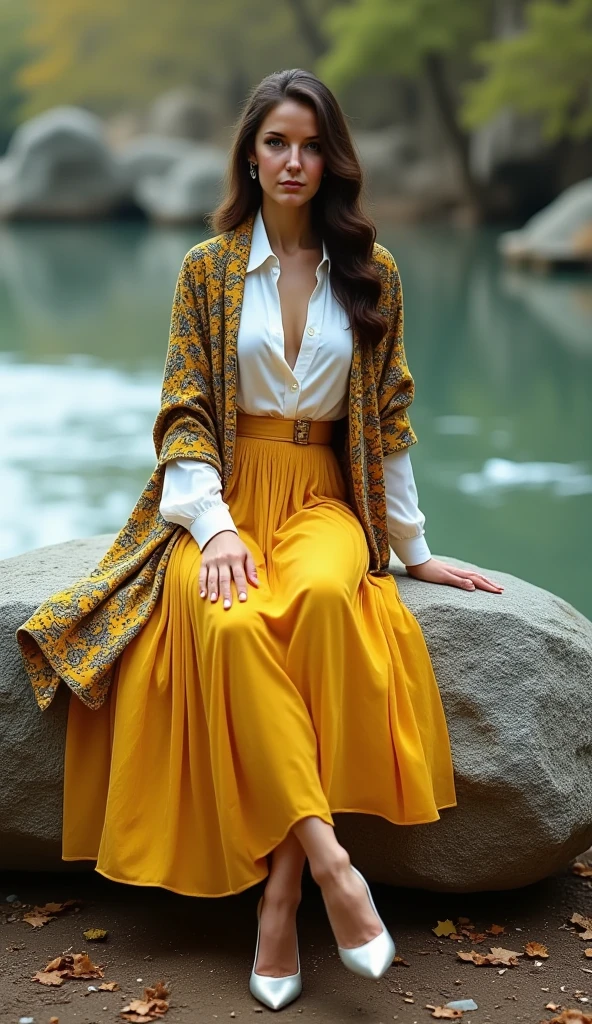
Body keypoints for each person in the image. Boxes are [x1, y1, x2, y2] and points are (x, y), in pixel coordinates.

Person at [16, 68, 504, 1012]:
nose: (295, 161)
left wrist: (410, 548)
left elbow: (390, 418)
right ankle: (330, 871)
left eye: (312, 145)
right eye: (278, 142)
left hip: (325, 495)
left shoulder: (374, 271)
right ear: (250, 151)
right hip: (226, 495)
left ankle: (278, 895)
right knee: (231, 624)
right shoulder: (206, 268)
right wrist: (214, 524)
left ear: (333, 158)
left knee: (325, 601)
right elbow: (184, 409)